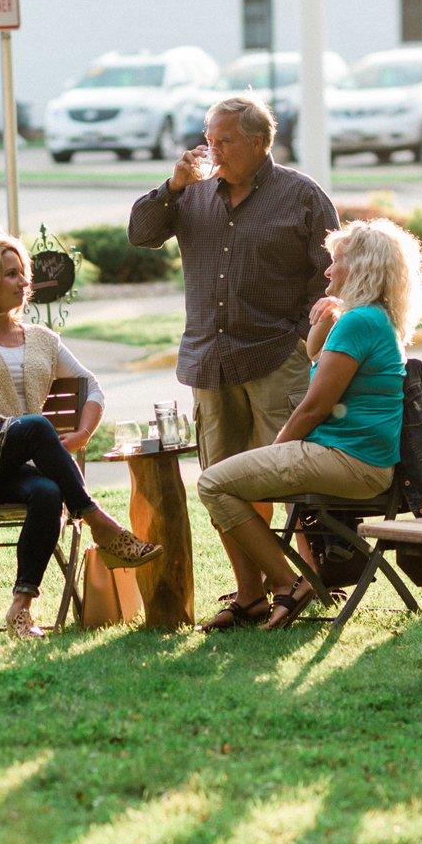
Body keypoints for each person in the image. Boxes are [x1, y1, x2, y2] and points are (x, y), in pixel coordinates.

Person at [126, 94, 338, 627]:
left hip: (275, 358)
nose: (211, 149)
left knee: (290, 479)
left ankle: (311, 583)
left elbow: (331, 274)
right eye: (208, 138)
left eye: (224, 141)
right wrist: (172, 186)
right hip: (210, 359)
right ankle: (250, 596)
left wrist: (298, 338)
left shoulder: (302, 195)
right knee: (222, 483)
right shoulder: (191, 193)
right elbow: (141, 233)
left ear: (261, 143)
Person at [0, 234, 161, 639]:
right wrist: (13, 430)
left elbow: (91, 385)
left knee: (49, 492)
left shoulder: (41, 339)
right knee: (34, 425)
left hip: (19, 461)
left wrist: (84, 432)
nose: (23, 283)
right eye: (10, 274)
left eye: (23, 274)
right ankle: (99, 522)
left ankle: (20, 609)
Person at [195, 218, 422, 631]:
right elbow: (314, 353)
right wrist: (327, 314)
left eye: (336, 262)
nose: (328, 271)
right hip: (361, 461)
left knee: (213, 483)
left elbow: (315, 407)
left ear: (362, 267)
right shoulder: (370, 319)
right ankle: (267, 591)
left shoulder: (359, 323)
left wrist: (277, 448)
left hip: (347, 460)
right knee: (225, 482)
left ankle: (288, 582)